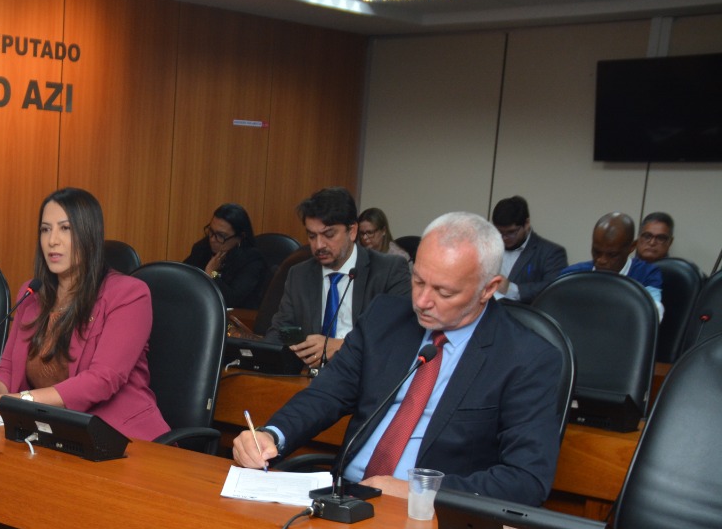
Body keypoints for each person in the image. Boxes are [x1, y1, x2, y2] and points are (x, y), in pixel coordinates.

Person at [234, 212, 563, 506]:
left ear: (488, 289)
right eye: (418, 280)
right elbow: (327, 394)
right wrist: (271, 435)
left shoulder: (527, 358)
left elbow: (526, 480)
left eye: (443, 292)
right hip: (345, 497)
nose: (421, 301)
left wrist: (420, 491)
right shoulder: (385, 318)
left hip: (426, 520)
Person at [0, 187, 170, 440]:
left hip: (122, 440)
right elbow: (9, 370)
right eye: (45, 229)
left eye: (65, 228)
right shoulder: (33, 293)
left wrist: (12, 402)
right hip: (54, 435)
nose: (53, 240)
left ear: (89, 235)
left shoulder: (130, 294)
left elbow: (102, 380)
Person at [266, 187, 411, 370]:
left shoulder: (389, 270)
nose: (319, 245)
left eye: (329, 235)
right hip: (310, 379)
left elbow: (401, 334)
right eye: (312, 236)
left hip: (367, 377)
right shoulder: (299, 275)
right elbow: (279, 332)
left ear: (352, 231)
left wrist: (341, 345)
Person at [557, 211, 664, 321]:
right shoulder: (571, 275)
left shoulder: (647, 274)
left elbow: (652, 316)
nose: (601, 260)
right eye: (596, 252)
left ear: (632, 247)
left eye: (612, 255)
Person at [181, 202, 272, 309]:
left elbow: (231, 299)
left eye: (221, 235)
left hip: (240, 319)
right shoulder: (202, 248)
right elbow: (182, 279)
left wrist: (212, 273)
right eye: (211, 231)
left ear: (240, 237)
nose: (212, 239)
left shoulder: (253, 261)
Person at [490, 195, 567, 303]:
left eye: (511, 232)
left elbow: (555, 289)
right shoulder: (487, 245)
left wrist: (512, 289)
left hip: (522, 316)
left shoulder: (551, 252)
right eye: (499, 232)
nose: (504, 238)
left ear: (526, 224)